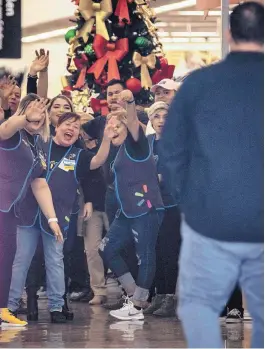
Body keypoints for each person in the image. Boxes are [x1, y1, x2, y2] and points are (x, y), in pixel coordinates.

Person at [159, 2, 264, 348]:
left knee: (199, 305)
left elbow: (171, 153)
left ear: (228, 34)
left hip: (210, 217)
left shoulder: (199, 84)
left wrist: (187, 202)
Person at [7, 111, 113, 324]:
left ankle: (56, 307)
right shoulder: (39, 144)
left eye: (76, 127)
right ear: (57, 126)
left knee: (55, 260)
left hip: (59, 217)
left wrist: (107, 138)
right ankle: (9, 306)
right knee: (21, 260)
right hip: (28, 214)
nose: (72, 129)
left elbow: (98, 159)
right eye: (68, 124)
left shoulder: (79, 155)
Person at [99, 89, 164, 321]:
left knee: (144, 255)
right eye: (110, 126)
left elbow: (135, 123)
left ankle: (137, 306)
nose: (114, 129)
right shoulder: (119, 150)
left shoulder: (138, 144)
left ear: (128, 127)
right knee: (106, 248)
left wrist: (129, 102)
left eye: (118, 126)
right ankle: (133, 294)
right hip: (126, 212)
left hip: (147, 209)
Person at [0, 93, 62, 327]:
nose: (38, 117)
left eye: (41, 114)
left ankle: (3, 310)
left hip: (10, 209)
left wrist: (52, 218)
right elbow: (4, 129)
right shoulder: (15, 135)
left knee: (6, 260)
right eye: (32, 113)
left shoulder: (36, 144)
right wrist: (23, 118)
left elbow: (39, 183)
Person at [144, 102, 181, 318]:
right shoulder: (148, 143)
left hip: (171, 204)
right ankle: (158, 294)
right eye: (156, 116)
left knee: (169, 251)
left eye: (165, 116)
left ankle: (170, 297)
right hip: (150, 206)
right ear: (150, 120)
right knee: (155, 250)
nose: (161, 121)